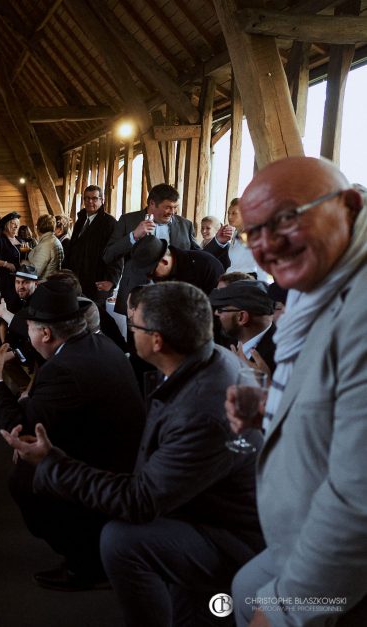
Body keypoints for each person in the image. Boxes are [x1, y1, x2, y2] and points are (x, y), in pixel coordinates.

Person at [3, 281, 263, 626]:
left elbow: (140, 502)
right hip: (197, 508)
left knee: (121, 540)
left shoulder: (200, 409)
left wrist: (52, 463)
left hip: (226, 536)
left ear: (156, 340)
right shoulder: (209, 359)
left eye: (134, 324)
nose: (130, 330)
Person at [228, 157, 367, 626]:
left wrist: (291, 608)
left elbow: (359, 498)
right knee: (245, 591)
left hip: (343, 573)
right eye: (254, 231)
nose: (267, 244)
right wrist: (272, 404)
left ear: (348, 205)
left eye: (287, 218)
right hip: (294, 537)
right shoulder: (319, 286)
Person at [0, 283, 144, 590]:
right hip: (119, 450)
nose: (27, 332)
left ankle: (89, 565)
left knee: (25, 480)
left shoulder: (65, 367)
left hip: (107, 466)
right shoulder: (96, 345)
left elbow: (18, 430)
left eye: (29, 327)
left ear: (45, 335)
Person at [113, 234, 224, 315]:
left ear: (164, 262)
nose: (149, 278)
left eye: (151, 273)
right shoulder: (161, 273)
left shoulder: (206, 265)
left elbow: (216, 310)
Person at [63, 185, 122, 304]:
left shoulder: (109, 223)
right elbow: (73, 248)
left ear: (102, 200)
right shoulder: (80, 220)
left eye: (94, 198)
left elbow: (117, 253)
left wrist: (111, 281)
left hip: (97, 282)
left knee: (95, 317)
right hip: (77, 280)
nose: (90, 201)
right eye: (87, 198)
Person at [209, 280, 276, 375]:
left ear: (241, 317)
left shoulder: (279, 357)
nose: (216, 313)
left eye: (220, 310)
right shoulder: (231, 336)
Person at [28, 214, 64, 280]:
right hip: (53, 282)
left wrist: (25, 264)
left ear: (39, 228)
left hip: (44, 285)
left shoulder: (46, 244)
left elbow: (35, 272)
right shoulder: (54, 240)